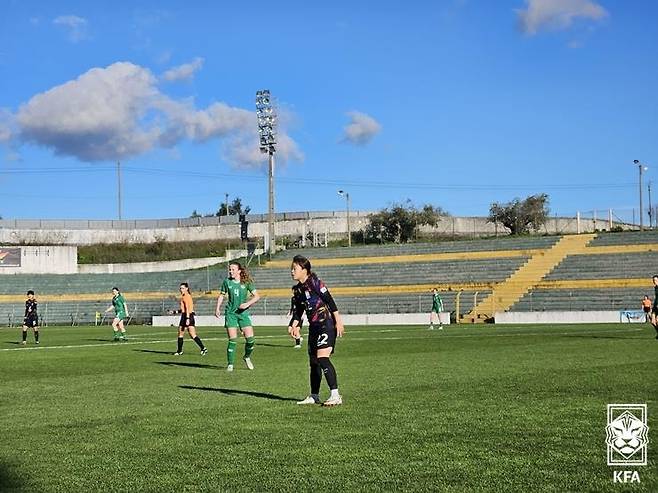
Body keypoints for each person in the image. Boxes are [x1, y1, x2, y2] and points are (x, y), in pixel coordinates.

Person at [289, 255, 345, 406]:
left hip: (325, 324)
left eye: (295, 268)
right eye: (291, 268)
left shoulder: (314, 282)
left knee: (322, 358)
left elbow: (330, 301)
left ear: (304, 270)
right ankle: (314, 395)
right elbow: (299, 312)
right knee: (313, 362)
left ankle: (335, 395)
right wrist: (295, 325)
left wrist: (338, 322)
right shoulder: (298, 290)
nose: (292, 271)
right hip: (313, 327)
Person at [215, 261, 260, 371]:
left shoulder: (247, 282)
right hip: (231, 314)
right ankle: (230, 364)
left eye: (233, 269)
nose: (230, 271)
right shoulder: (227, 282)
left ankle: (247, 357)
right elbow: (221, 296)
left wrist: (247, 304)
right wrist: (217, 308)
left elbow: (257, 296)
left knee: (251, 340)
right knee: (233, 339)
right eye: (230, 269)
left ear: (239, 271)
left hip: (243, 314)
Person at [171, 283, 207, 356]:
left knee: (185, 334)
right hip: (188, 316)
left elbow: (187, 309)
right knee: (188, 334)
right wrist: (175, 312)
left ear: (187, 288)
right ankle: (203, 348)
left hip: (187, 316)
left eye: (183, 288)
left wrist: (187, 318)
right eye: (180, 288)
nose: (181, 290)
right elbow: (183, 309)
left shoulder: (186, 296)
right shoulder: (185, 296)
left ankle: (180, 351)